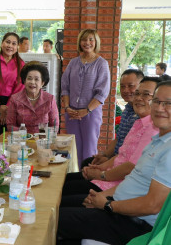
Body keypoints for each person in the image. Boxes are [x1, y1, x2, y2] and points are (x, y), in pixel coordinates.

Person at [57, 80, 171, 245]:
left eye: (168, 103)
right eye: (157, 102)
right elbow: (134, 178)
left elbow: (153, 205)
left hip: (134, 224)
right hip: (117, 208)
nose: (160, 108)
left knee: (52, 219)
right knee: (57, 213)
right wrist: (101, 197)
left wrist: (108, 205)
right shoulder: (157, 140)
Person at [61, 77, 160, 207]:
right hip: (111, 181)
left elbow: (131, 166)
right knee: (64, 182)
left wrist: (101, 175)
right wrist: (101, 167)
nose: (138, 98)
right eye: (137, 93)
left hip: (117, 190)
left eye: (146, 94)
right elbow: (122, 154)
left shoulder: (153, 129)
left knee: (62, 196)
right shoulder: (138, 122)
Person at [61, 29, 110, 167]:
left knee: (89, 149)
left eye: (91, 39)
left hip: (91, 113)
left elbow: (102, 93)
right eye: (84, 40)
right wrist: (67, 107)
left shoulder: (102, 64)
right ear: (79, 42)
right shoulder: (73, 63)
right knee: (74, 148)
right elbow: (65, 88)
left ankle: (88, 177)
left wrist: (86, 110)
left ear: (96, 42)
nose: (87, 43)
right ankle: (75, 178)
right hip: (71, 113)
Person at [83, 69, 144, 167]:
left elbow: (130, 155)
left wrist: (105, 164)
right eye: (122, 86)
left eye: (130, 86)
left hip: (125, 163)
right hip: (116, 158)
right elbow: (118, 139)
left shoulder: (143, 117)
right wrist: (104, 155)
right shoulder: (127, 109)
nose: (125, 90)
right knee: (87, 162)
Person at [6, 62, 59, 133]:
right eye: (29, 78)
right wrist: (25, 134)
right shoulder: (15, 99)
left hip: (42, 140)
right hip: (21, 139)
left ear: (42, 83)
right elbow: (10, 125)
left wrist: (44, 135)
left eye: (36, 79)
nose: (32, 82)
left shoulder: (50, 99)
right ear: (24, 81)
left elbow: (54, 125)